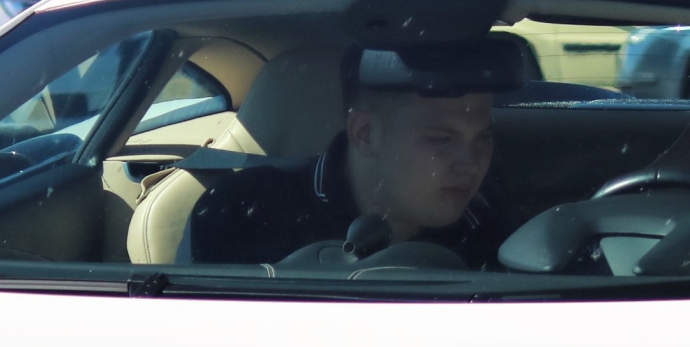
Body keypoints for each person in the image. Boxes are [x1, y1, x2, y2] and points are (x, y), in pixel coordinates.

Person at [185, 40, 508, 266]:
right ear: (365, 133)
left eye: (483, 137)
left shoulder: (491, 233)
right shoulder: (247, 212)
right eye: (440, 139)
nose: (470, 164)